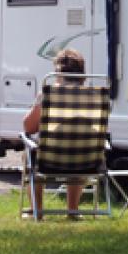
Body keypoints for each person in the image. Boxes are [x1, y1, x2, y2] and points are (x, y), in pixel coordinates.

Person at [24, 48, 88, 218]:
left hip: (49, 159)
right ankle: (73, 210)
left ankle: (36, 211)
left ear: (58, 72)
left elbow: (29, 127)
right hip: (85, 159)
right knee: (77, 149)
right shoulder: (92, 96)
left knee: (30, 154)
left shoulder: (47, 94)